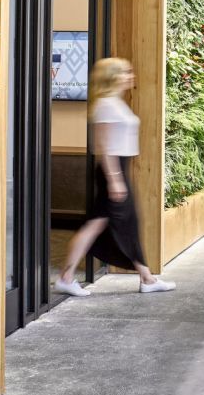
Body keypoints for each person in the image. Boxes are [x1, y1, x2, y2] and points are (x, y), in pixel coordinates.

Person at [54, 57, 175, 296]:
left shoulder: (114, 103)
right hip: (113, 170)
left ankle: (146, 278)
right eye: (125, 72)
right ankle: (66, 277)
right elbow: (104, 148)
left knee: (117, 224)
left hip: (119, 170)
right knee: (103, 224)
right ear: (112, 77)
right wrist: (115, 179)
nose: (131, 75)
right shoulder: (107, 105)